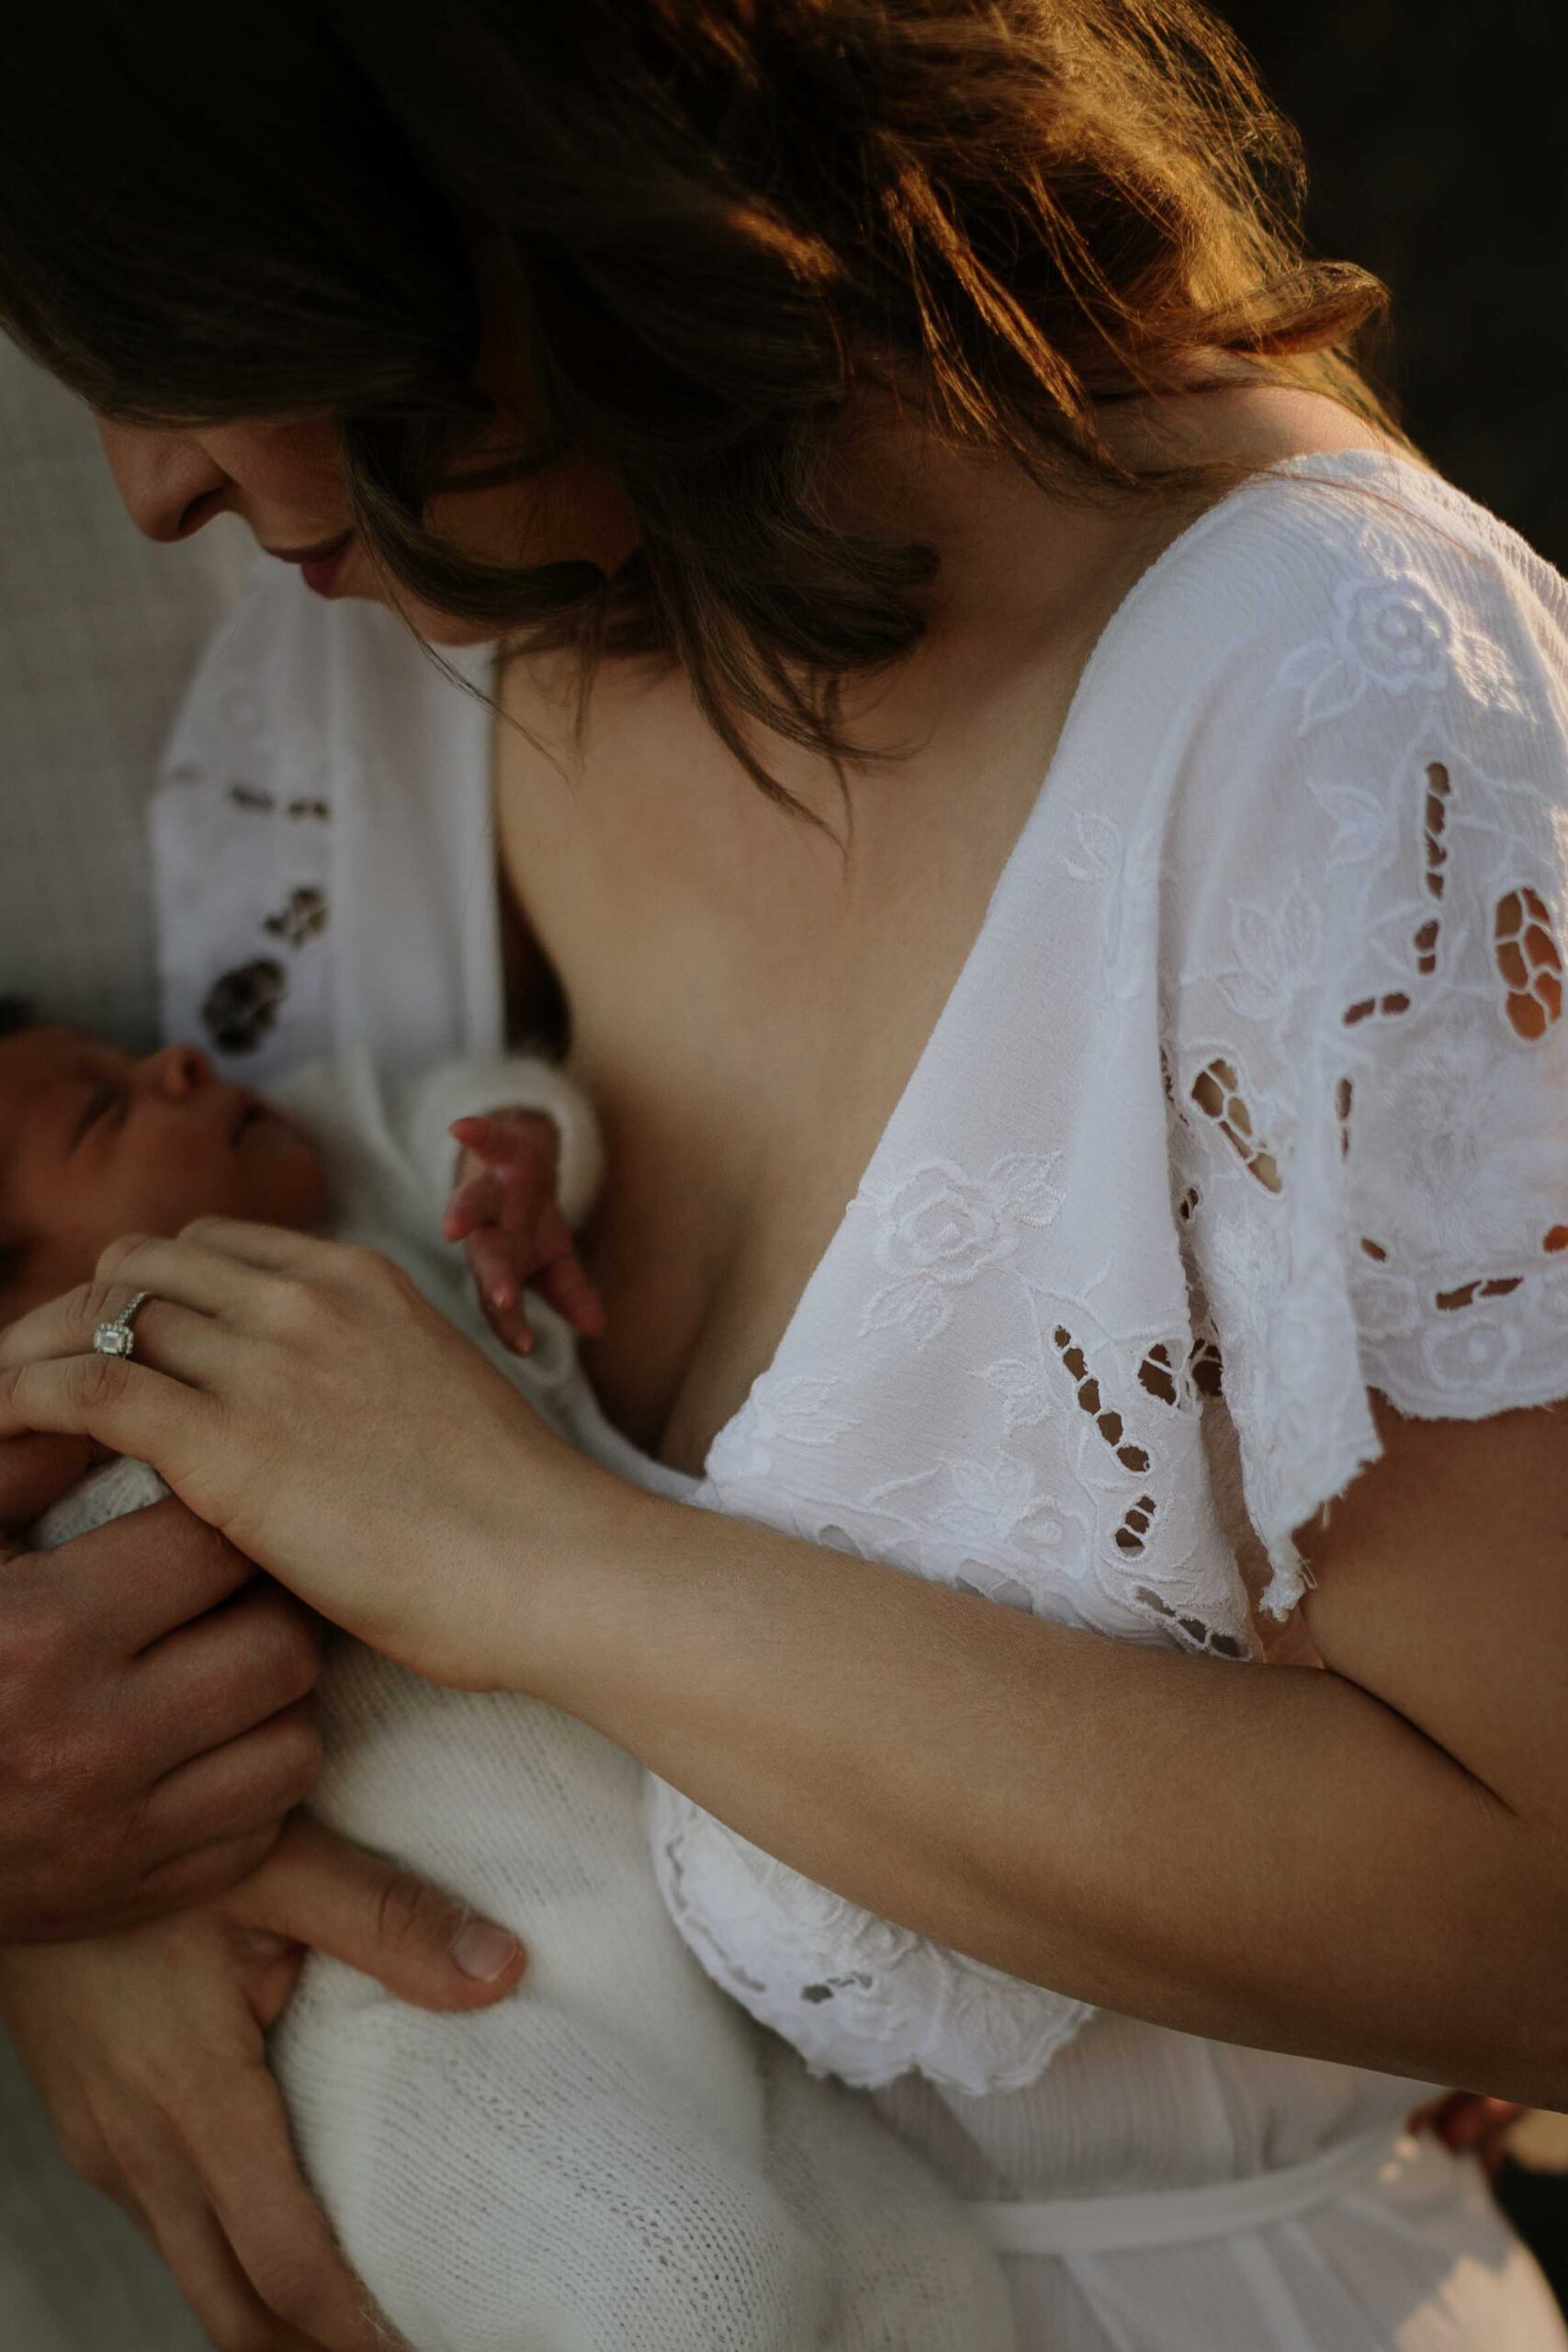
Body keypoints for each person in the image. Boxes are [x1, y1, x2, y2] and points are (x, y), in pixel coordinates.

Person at [1, 5, 1565, 2349]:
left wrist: (525, 1549)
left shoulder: (1332, 708)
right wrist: (89, 1862)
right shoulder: (379, 655)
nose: (146, 488)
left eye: (193, 322)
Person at [1, 1009, 1012, 2352]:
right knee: (686, 2294)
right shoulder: (79, 1477)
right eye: (103, 1114)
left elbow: (438, 1105)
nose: (178, 1063)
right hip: (431, 2018)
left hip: (714, 1980)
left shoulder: (352, 1205)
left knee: (942, 2295)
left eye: (131, 1063)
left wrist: (520, 1153)